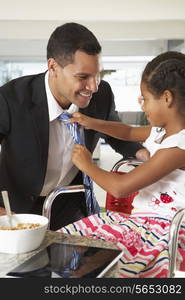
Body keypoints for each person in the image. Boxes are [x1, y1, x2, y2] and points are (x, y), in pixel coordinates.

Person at [0, 22, 144, 229]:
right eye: (83, 77)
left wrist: (142, 154)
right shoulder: (10, 98)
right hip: (16, 210)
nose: (93, 86)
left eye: (97, 75)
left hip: (69, 206)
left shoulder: (101, 95)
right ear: (53, 67)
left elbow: (114, 131)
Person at [58, 55, 185, 277]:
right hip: (140, 222)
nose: (141, 103)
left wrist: (87, 165)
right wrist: (90, 122)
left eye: (145, 98)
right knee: (74, 237)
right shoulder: (160, 132)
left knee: (114, 262)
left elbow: (121, 187)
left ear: (167, 98)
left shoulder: (179, 146)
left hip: (165, 229)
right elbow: (127, 132)